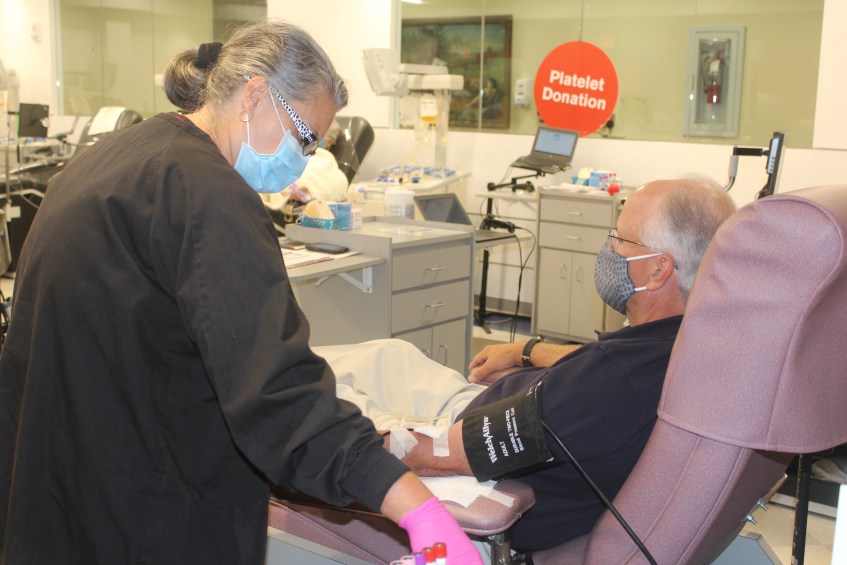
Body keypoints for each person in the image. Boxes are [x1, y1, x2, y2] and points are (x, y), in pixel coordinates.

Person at [0, 20, 481, 565]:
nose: (305, 158)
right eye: (305, 137)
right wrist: (416, 508)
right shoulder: (210, 195)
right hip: (144, 513)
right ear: (254, 95)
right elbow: (279, 395)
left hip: (54, 494)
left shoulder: (112, 156)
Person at [321, 177, 736, 553]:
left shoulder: (615, 381)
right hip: (495, 407)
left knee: (321, 393)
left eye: (619, 239)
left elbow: (441, 455)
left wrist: (347, 456)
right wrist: (528, 352)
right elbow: (591, 373)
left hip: (459, 440)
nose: (609, 248)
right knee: (391, 353)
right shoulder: (681, 342)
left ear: (659, 268)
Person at [260, 118, 349, 224]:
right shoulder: (291, 151)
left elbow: (338, 182)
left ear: (328, 142)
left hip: (291, 197)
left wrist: (307, 190)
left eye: (316, 134)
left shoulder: (324, 157)